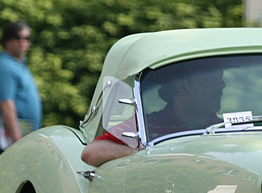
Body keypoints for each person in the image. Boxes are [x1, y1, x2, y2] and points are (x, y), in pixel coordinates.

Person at [80, 68, 225, 167]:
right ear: (183, 86)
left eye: (220, 78)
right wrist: (138, 154)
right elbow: (91, 152)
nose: (222, 85)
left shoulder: (224, 128)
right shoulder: (148, 125)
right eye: (211, 79)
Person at [0, 21, 41, 160]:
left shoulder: (18, 64)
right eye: (17, 37)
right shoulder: (4, 66)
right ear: (6, 40)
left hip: (20, 136)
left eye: (27, 38)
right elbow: (5, 104)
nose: (23, 42)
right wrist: (17, 141)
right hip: (7, 140)